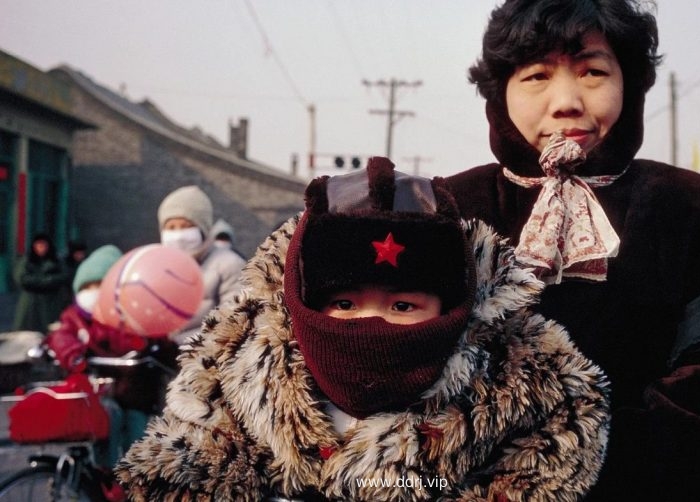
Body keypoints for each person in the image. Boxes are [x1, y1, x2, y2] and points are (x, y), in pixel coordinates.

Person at [444, 1, 700, 500]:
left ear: (630, 83)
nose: (566, 101)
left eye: (593, 71)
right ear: (500, 94)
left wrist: (566, 466)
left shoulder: (698, 207)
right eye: (537, 75)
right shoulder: (448, 208)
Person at [116, 158, 610, 501]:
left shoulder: (511, 376)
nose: (370, 324)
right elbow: (196, 459)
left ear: (451, 306)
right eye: (345, 304)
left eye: (402, 304)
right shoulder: (245, 362)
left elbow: (546, 458)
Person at [45, 244, 178, 467]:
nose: (93, 292)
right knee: (105, 428)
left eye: (100, 285)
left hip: (135, 395)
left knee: (137, 440)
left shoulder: (130, 316)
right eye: (88, 286)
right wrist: (73, 354)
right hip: (95, 394)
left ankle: (132, 482)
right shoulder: (74, 318)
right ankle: (105, 476)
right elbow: (61, 336)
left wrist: (141, 342)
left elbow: (145, 342)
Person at [157, 185, 246, 345]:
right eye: (171, 227)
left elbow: (233, 323)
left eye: (186, 226)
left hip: (202, 360)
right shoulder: (157, 268)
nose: (178, 234)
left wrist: (180, 345)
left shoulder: (229, 264)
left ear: (203, 228)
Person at [12, 233, 72, 333]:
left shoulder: (56, 261)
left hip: (51, 303)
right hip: (30, 303)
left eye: (43, 245)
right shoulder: (27, 261)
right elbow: (21, 278)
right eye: (38, 245)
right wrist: (43, 281)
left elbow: (63, 277)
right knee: (27, 333)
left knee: (49, 331)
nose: (41, 248)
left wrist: (47, 281)